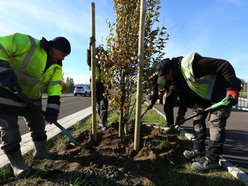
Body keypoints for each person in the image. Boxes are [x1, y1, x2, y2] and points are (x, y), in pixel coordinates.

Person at [0, 33, 71, 178]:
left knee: (38, 124)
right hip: (6, 91)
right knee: (10, 129)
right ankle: (17, 164)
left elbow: (54, 89)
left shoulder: (57, 67)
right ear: (53, 48)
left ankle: (41, 152)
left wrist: (52, 110)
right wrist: (4, 71)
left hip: (31, 98)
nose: (63, 58)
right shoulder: (28, 43)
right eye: (63, 54)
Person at [156, 52, 242, 172]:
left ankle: (212, 160)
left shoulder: (192, 65)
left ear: (170, 70)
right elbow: (184, 98)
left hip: (222, 93)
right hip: (205, 98)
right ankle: (199, 149)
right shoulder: (176, 80)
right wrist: (181, 114)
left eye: (165, 77)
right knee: (197, 119)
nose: (166, 80)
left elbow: (224, 65)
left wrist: (231, 89)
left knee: (215, 123)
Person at [87, 41, 108, 130]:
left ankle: (103, 122)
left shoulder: (105, 64)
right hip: (95, 85)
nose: (99, 57)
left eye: (101, 55)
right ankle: (101, 121)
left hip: (104, 85)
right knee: (98, 105)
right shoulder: (92, 63)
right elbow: (88, 59)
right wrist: (89, 48)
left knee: (104, 104)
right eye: (98, 55)